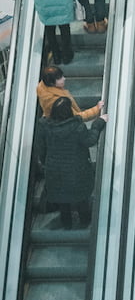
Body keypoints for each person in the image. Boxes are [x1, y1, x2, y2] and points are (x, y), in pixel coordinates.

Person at [35, 97, 107, 229]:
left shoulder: (46, 128)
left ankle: (66, 224)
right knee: (81, 199)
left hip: (55, 172)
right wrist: (98, 123)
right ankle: (84, 221)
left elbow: (42, 149)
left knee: (63, 200)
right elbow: (90, 140)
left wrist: (46, 163)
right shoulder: (77, 127)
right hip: (76, 172)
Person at [36, 66, 103, 122]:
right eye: (59, 78)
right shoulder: (58, 102)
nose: (64, 79)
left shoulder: (43, 87)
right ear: (51, 83)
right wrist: (96, 110)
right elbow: (76, 117)